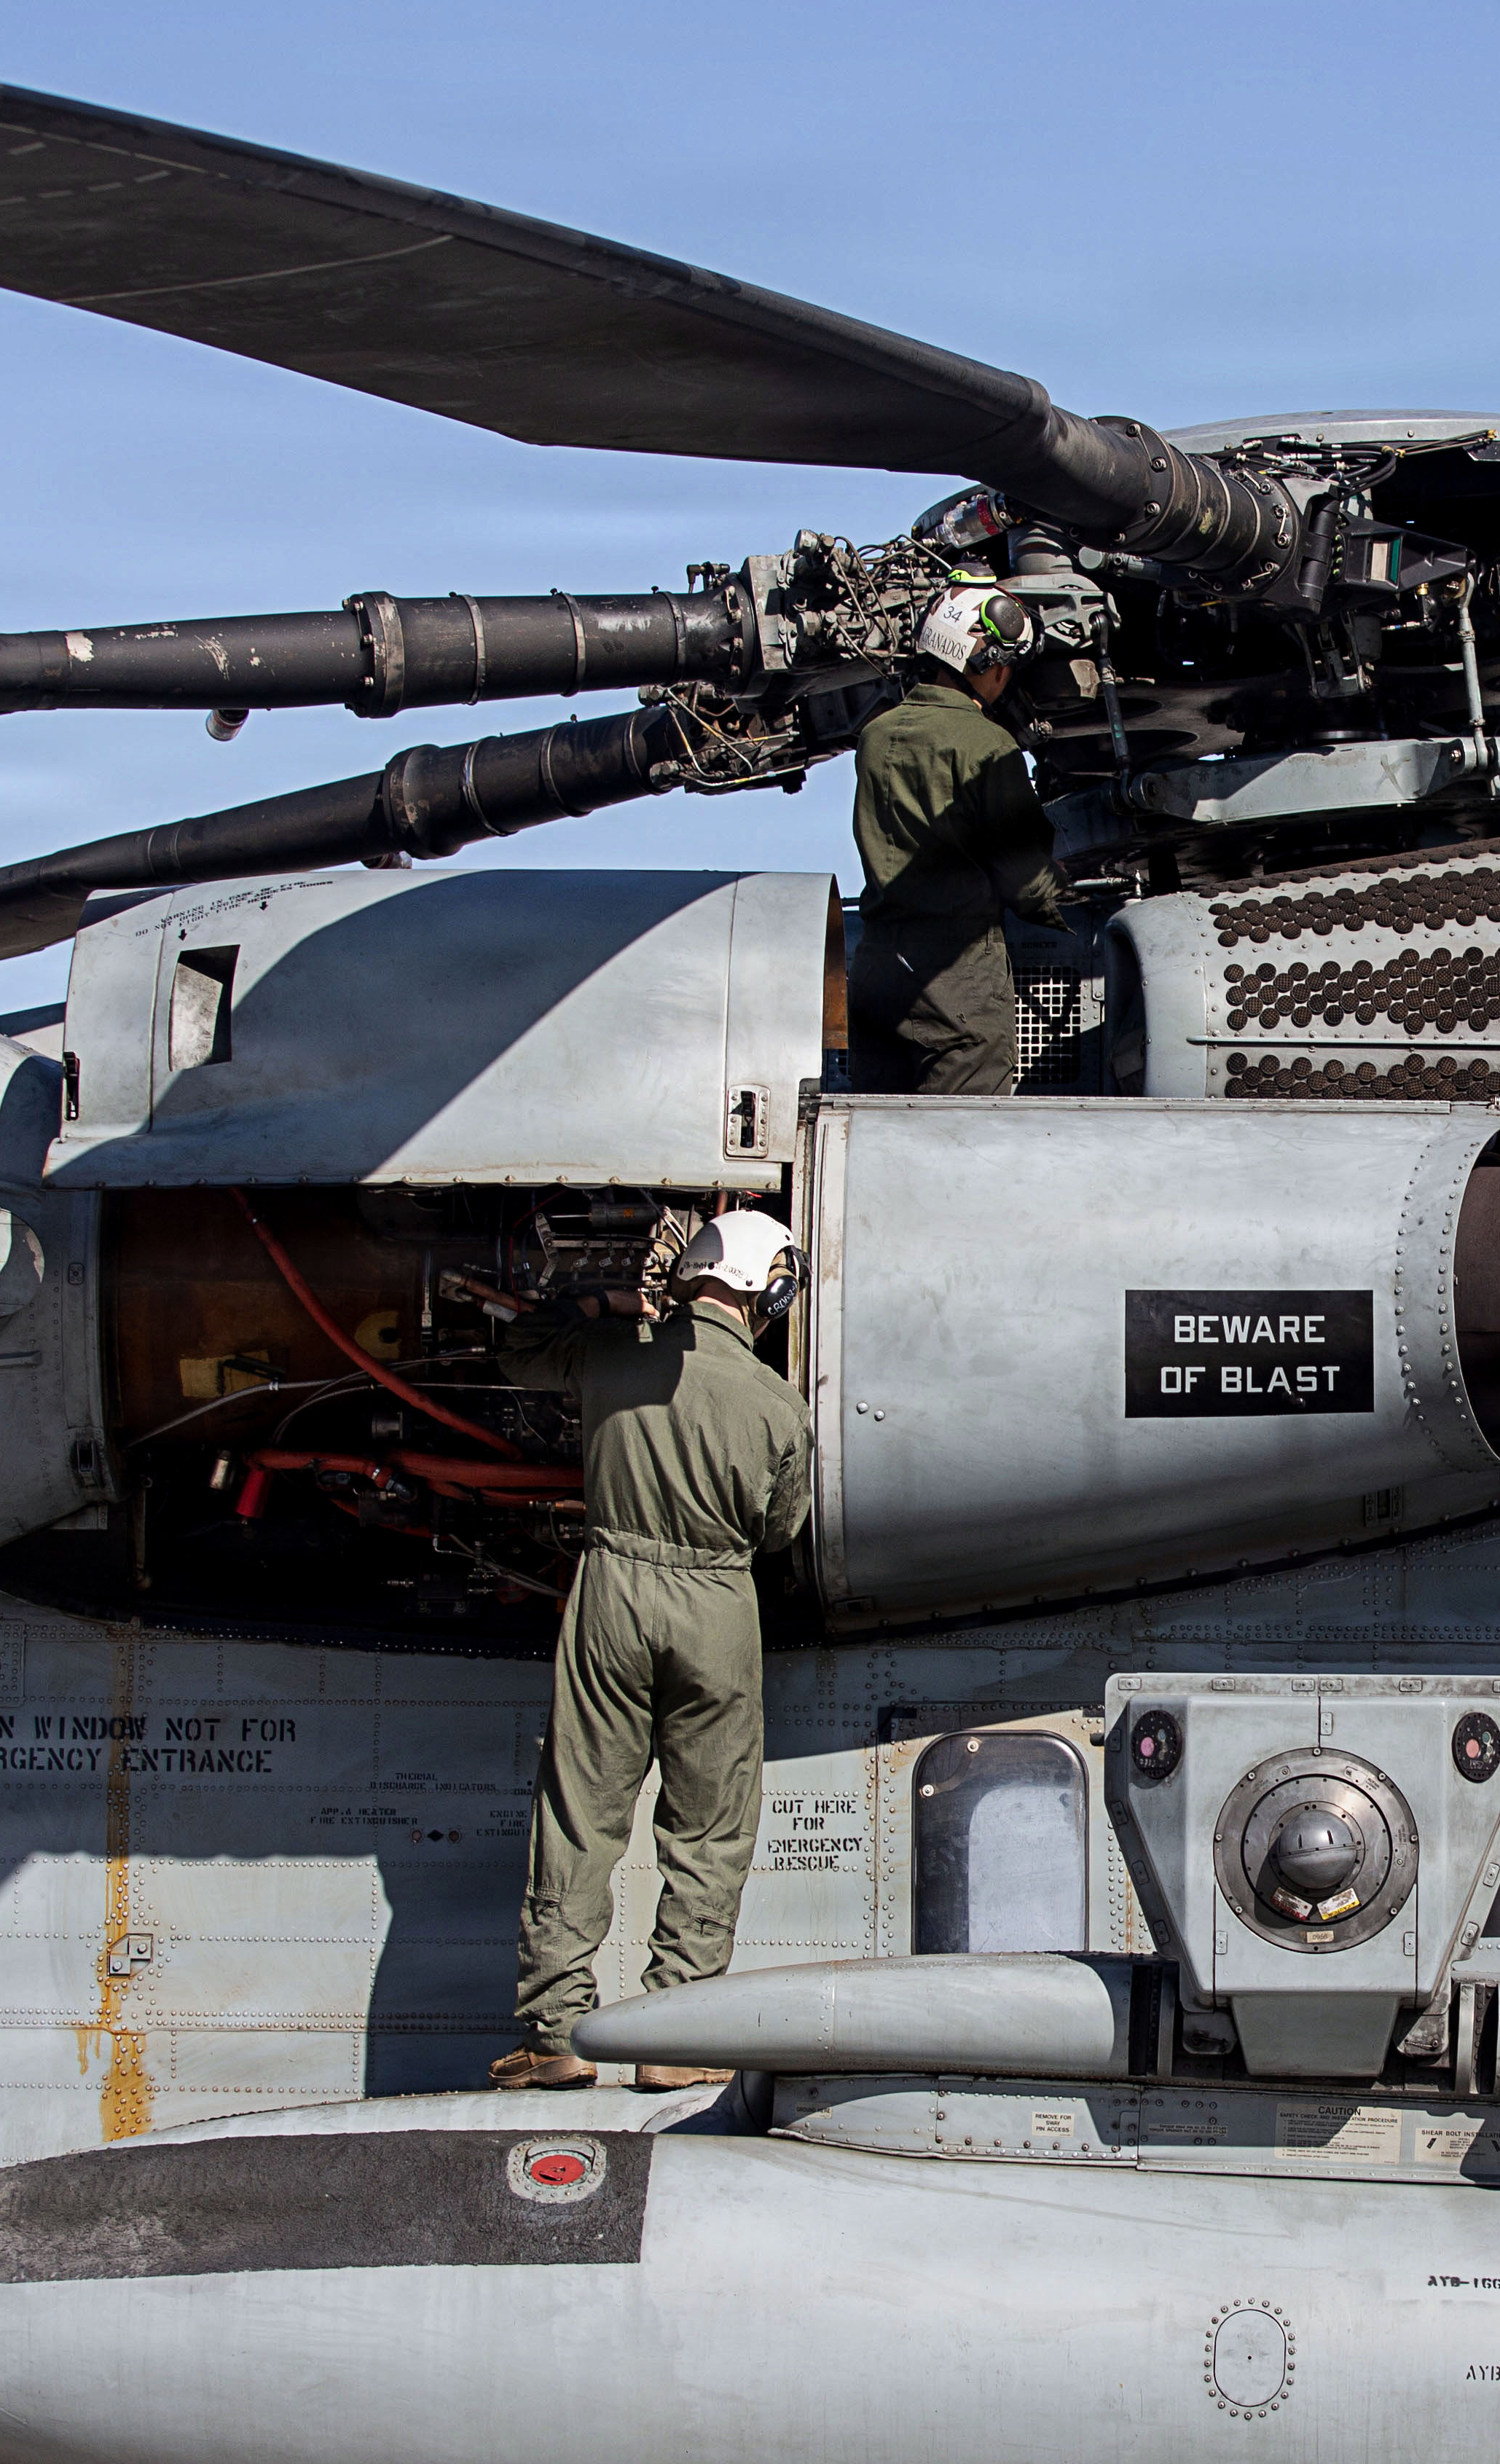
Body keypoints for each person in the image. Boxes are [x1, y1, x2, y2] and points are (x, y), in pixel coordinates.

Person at [475, 1209, 815, 2093]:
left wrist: (601, 1305)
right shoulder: (781, 1407)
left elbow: (517, 1355)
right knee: (708, 1828)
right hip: (717, 1601)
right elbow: (781, 1534)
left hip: (611, 1587)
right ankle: (675, 2029)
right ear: (766, 1293)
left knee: (582, 1813)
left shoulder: (618, 1354)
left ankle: (552, 2033)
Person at [850, 581, 1067, 1094]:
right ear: (988, 661)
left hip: (878, 970)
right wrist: (1062, 890)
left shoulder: (875, 736)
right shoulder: (989, 745)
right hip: (954, 980)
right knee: (964, 1147)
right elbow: (1026, 884)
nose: (1006, 678)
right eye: (1006, 665)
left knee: (878, 1144)